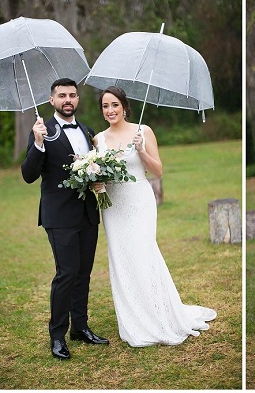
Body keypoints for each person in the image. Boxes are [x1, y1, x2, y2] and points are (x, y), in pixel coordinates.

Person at [92, 86, 217, 347]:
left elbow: (158, 171)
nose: (110, 110)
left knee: (143, 253)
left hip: (139, 199)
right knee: (122, 258)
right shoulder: (98, 140)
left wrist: (141, 151)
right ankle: (133, 319)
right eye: (105, 106)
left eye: (114, 104)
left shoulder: (143, 131)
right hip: (113, 206)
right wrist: (97, 184)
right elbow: (98, 174)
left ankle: (159, 315)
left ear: (124, 106)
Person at [21, 78, 109, 361]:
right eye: (62, 95)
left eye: (72, 95)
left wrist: (99, 181)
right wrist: (37, 142)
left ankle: (80, 328)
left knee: (83, 273)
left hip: (87, 213)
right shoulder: (42, 131)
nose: (67, 99)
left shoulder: (87, 130)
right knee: (67, 274)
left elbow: (94, 169)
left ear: (78, 99)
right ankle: (57, 335)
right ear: (52, 100)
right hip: (59, 217)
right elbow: (28, 175)